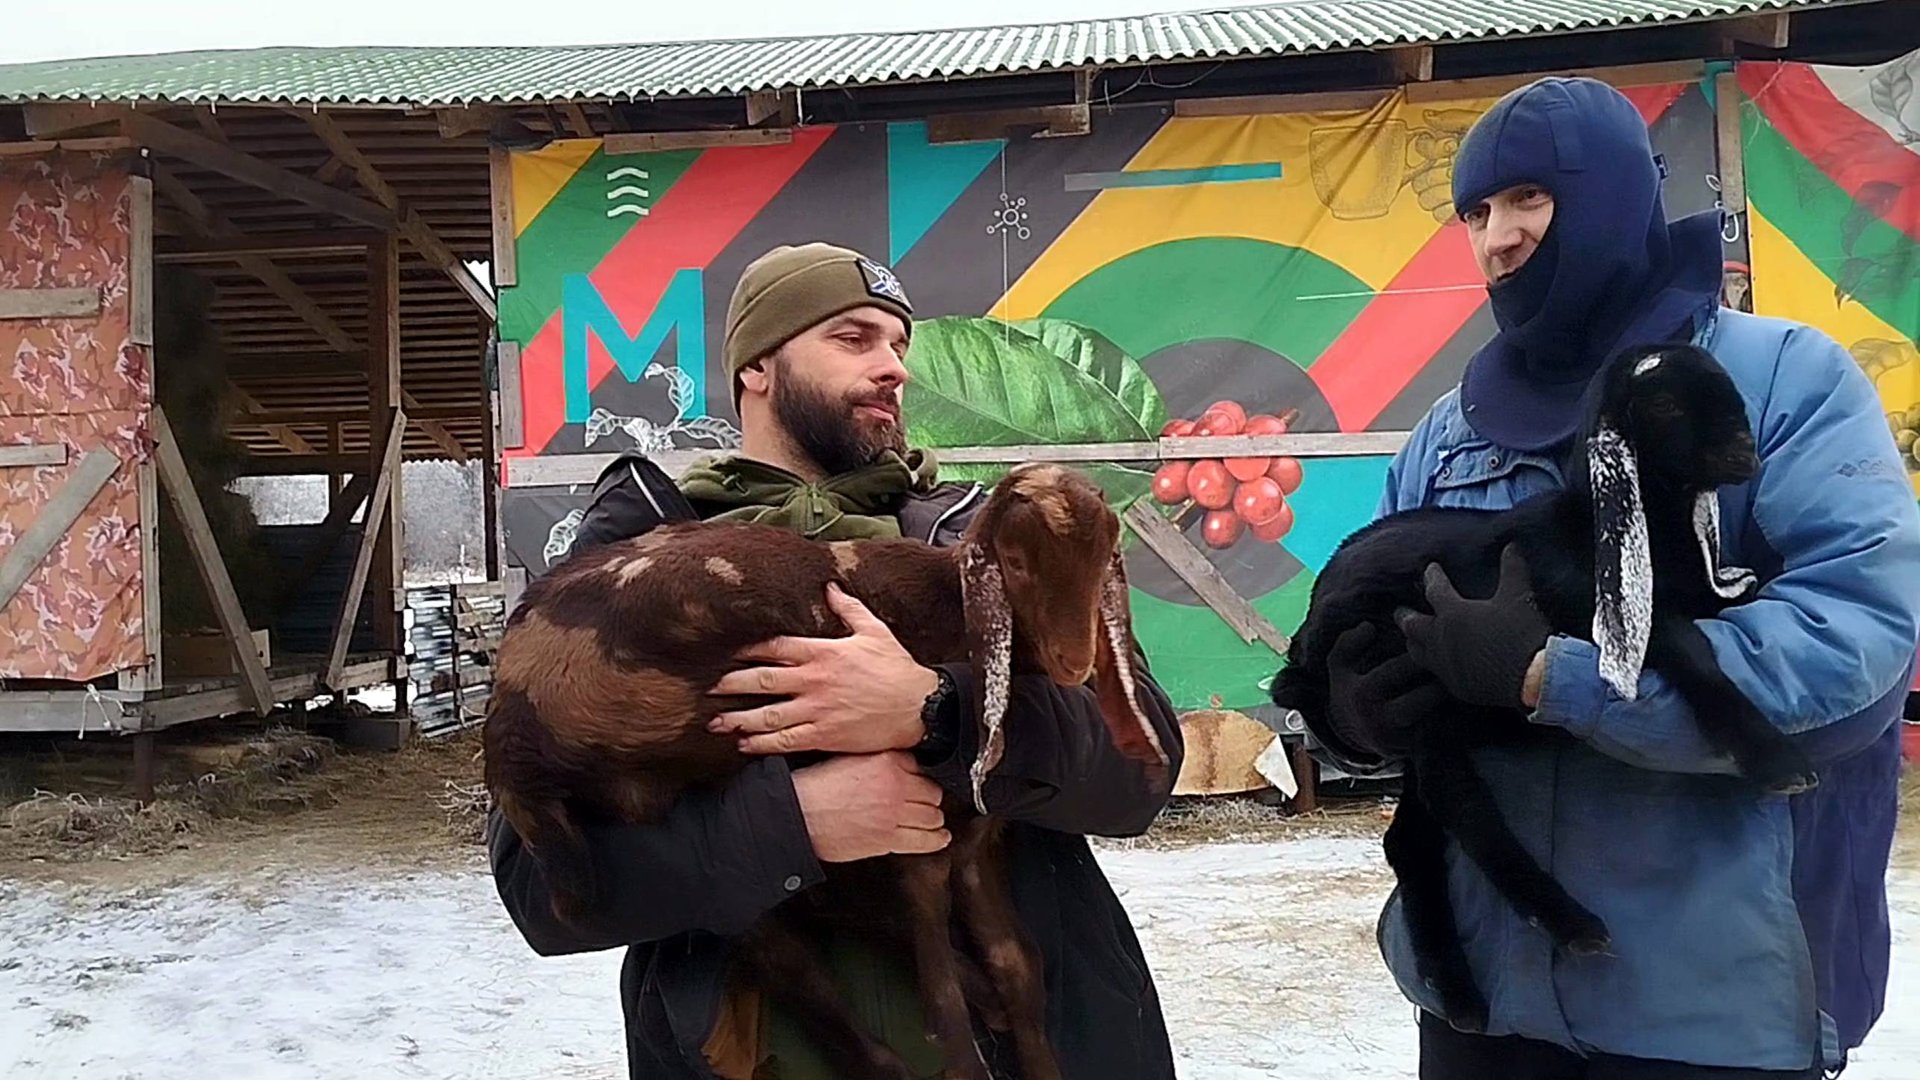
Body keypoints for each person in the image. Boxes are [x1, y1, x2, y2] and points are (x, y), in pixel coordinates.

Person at [1301, 77, 1920, 1079]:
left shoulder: (1781, 383)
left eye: (1530, 199)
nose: (1497, 237)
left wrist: (1560, 677)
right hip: (1484, 1014)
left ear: (1612, 200)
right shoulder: (1449, 435)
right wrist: (1354, 711)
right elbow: (1366, 626)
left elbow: (1857, 648)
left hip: (1713, 1010)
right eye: (1476, 211)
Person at [485, 241, 1184, 1080]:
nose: (892, 367)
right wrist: (795, 823)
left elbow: (1142, 771)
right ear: (758, 367)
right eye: (854, 339)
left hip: (1027, 1047)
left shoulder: (987, 536)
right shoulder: (625, 562)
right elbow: (544, 893)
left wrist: (936, 711)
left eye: (899, 345)